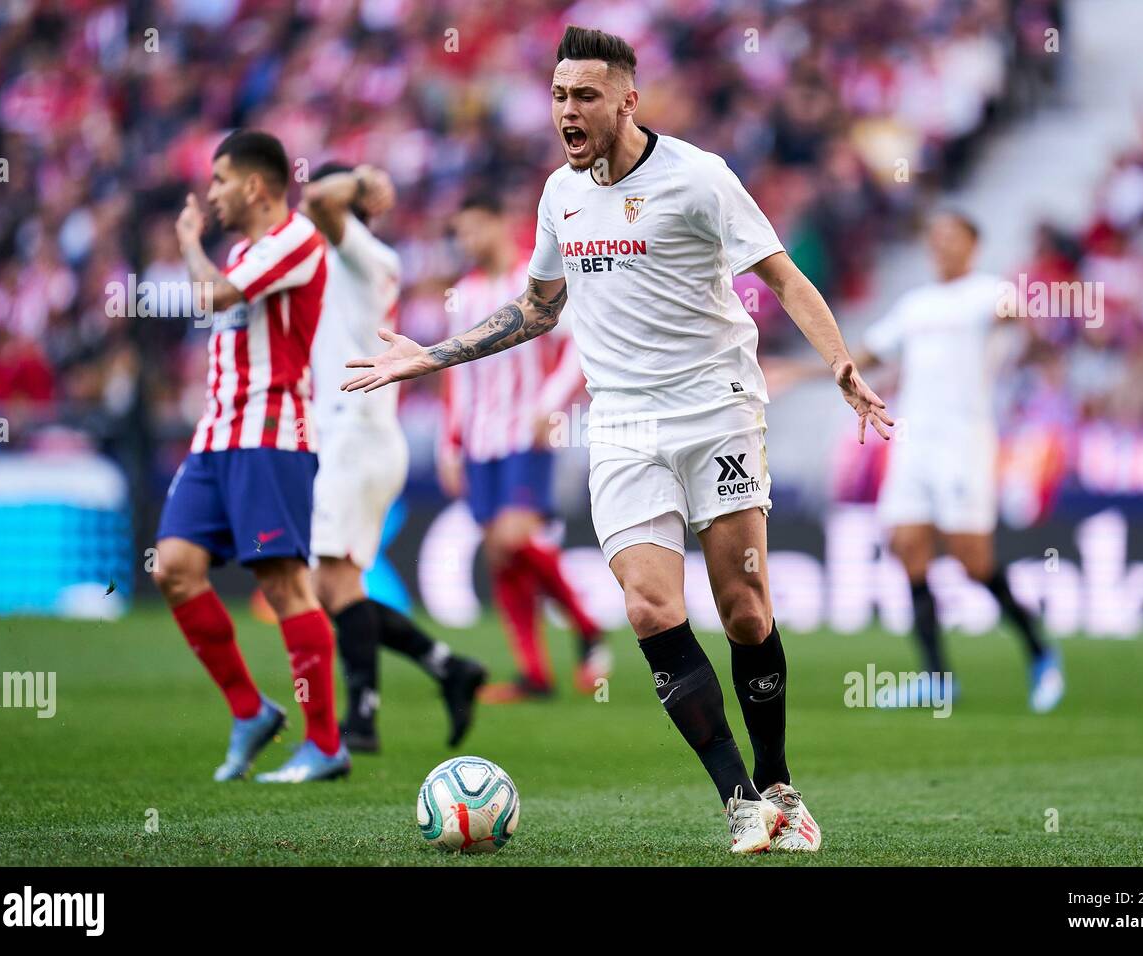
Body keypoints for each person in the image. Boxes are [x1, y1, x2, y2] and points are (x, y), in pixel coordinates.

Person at [343, 26, 891, 853]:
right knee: (648, 606)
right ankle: (741, 800)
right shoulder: (558, 197)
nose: (568, 110)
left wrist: (841, 363)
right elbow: (538, 308)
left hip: (718, 410)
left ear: (628, 100)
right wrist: (434, 355)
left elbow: (780, 274)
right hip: (624, 426)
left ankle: (779, 781)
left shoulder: (699, 178)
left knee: (744, 611)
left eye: (586, 95)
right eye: (560, 95)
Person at [153, 129, 350, 783]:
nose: (210, 195)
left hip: (272, 436)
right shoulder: (241, 250)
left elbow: (213, 297)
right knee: (174, 569)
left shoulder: (294, 239)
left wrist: (185, 244)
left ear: (256, 185)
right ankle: (249, 711)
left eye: (218, 181)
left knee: (284, 585)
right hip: (215, 439)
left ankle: (324, 744)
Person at [301, 162, 487, 752]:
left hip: (358, 436)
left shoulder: (365, 256)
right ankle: (448, 667)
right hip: (350, 438)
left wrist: (357, 183)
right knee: (331, 589)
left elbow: (320, 203)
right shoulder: (329, 264)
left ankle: (362, 720)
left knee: (336, 584)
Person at [855, 211, 1065, 712]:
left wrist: (1026, 320)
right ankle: (937, 678)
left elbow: (1024, 319)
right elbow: (867, 354)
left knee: (973, 561)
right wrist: (799, 371)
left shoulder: (989, 293)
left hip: (964, 443)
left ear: (974, 243)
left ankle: (1041, 653)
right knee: (907, 546)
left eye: (953, 236)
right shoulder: (916, 305)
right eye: (936, 236)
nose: (942, 245)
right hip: (914, 442)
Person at [440, 191, 609, 703]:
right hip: (480, 438)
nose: (467, 241)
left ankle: (587, 627)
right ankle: (534, 673)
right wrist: (450, 443)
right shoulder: (465, 294)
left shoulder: (534, 282)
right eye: (461, 232)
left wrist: (550, 403)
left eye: (476, 228)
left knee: (515, 537)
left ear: (501, 223)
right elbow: (457, 371)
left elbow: (577, 347)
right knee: (498, 553)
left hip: (526, 430)